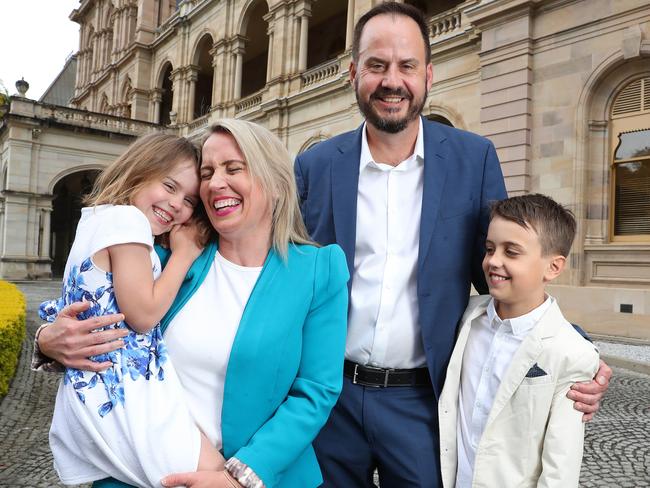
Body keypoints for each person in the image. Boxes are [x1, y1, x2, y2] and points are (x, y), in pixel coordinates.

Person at [294, 2, 611, 486]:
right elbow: (286, 272)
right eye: (376, 65)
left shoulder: (473, 159)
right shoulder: (316, 166)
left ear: (429, 74)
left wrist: (577, 349)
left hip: (424, 401)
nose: (391, 81)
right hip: (329, 395)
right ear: (353, 72)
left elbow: (508, 267)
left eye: (407, 66)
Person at [34, 119, 349, 488]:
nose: (216, 183)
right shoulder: (167, 254)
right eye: (208, 172)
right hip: (141, 473)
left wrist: (241, 477)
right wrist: (46, 341)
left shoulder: (319, 270)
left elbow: (316, 391)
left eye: (234, 169)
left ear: (277, 184)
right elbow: (95, 302)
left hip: (259, 479)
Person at [37, 133, 225, 487]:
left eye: (188, 200)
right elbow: (142, 314)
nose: (176, 206)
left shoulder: (96, 220)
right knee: (215, 473)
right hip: (124, 395)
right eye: (169, 186)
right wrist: (184, 254)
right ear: (139, 172)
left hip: (93, 391)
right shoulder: (127, 221)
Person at [438, 194, 599, 487]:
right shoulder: (467, 316)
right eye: (489, 249)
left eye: (511, 252)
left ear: (553, 267)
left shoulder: (571, 352)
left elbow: (560, 467)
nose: (493, 261)